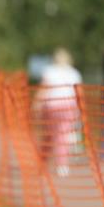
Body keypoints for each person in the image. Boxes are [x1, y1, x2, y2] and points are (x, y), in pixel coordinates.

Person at [36, 48, 82, 177]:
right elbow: (79, 94)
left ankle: (45, 162)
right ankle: (61, 164)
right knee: (61, 136)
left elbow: (43, 89)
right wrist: (80, 110)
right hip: (68, 107)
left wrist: (37, 104)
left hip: (51, 106)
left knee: (51, 136)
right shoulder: (74, 73)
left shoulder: (49, 71)